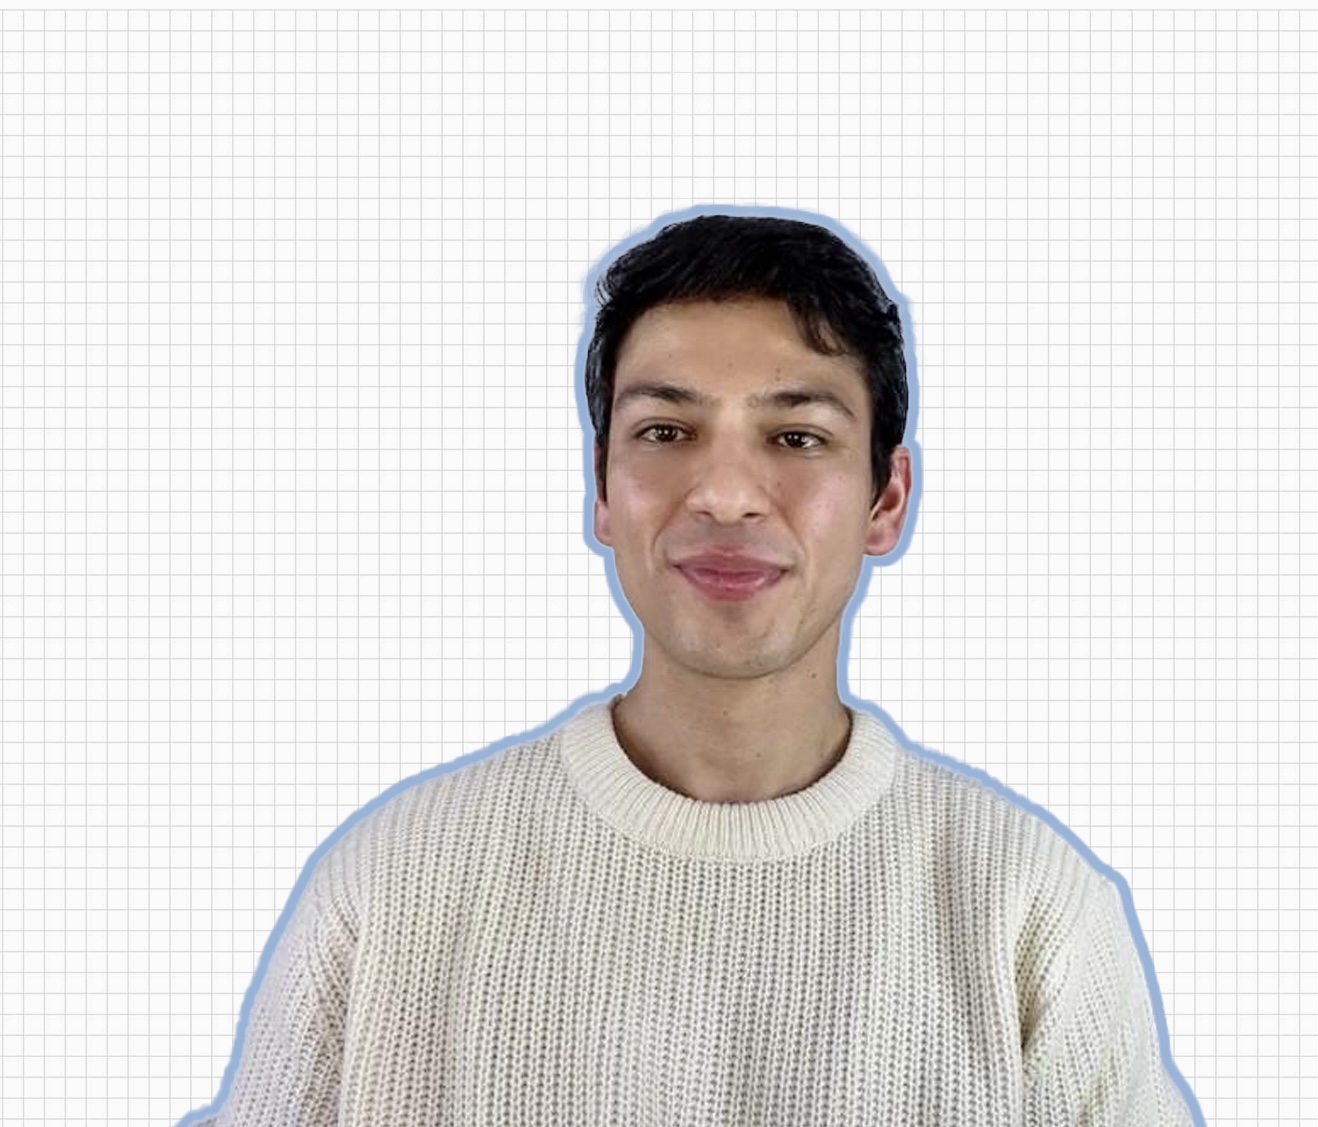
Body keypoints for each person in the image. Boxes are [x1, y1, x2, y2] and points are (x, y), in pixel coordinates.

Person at [184, 211, 1199, 1126]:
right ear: (601, 488)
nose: (723, 493)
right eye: (665, 431)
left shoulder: (1025, 912)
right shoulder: (396, 883)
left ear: (886, 499)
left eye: (796, 435)